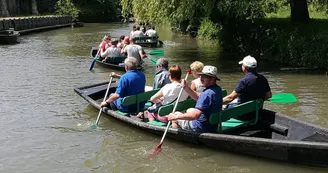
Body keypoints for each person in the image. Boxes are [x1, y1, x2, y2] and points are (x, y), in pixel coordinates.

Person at [168, 65, 222, 133]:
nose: (201, 78)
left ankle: (178, 138)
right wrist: (186, 88)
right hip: (212, 125)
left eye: (205, 77)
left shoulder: (207, 94)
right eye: (201, 76)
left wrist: (176, 117)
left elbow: (195, 116)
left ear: (212, 79)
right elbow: (199, 98)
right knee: (189, 110)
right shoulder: (217, 89)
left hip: (200, 127)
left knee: (175, 116)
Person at [223, 55, 272, 120]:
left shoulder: (244, 81)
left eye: (242, 65)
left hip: (242, 116)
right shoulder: (263, 79)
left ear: (244, 68)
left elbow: (230, 98)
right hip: (257, 113)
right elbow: (269, 95)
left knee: (223, 106)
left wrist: (217, 102)